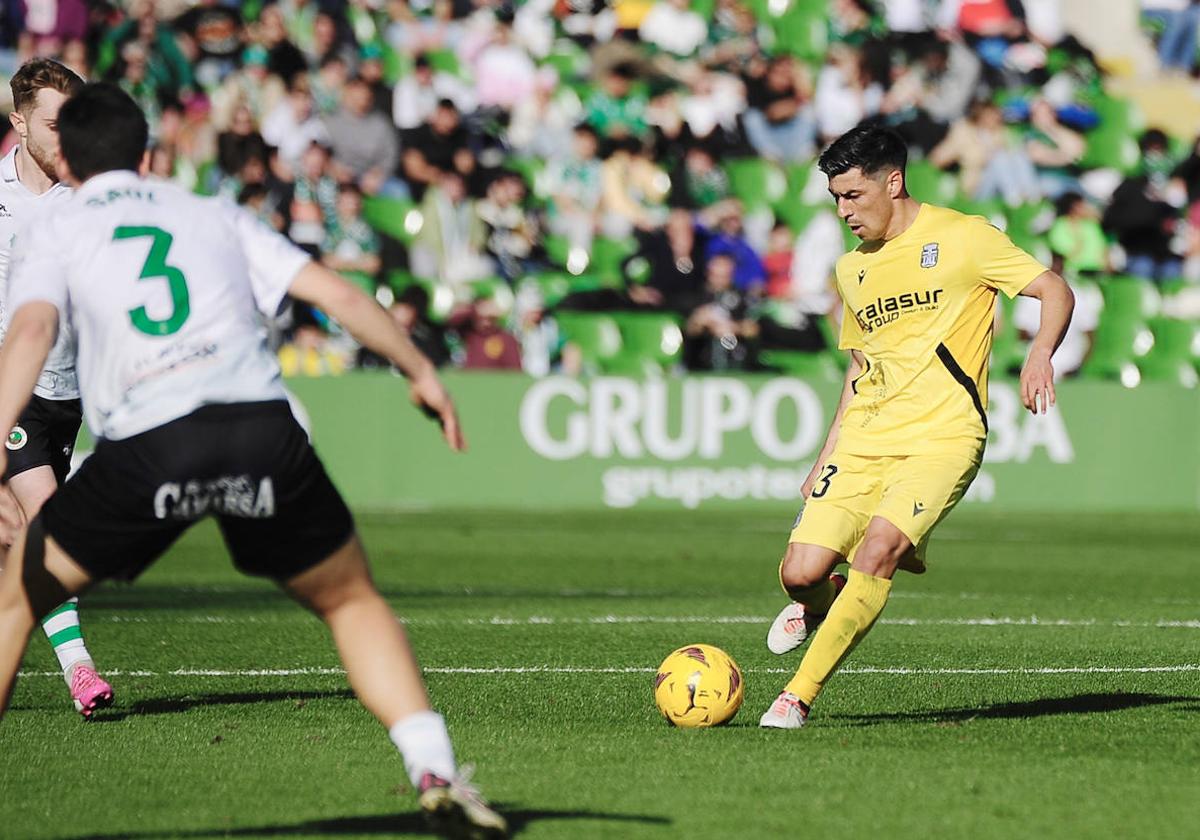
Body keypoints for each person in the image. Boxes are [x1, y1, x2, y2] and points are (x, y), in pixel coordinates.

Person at [0, 83, 507, 838]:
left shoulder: (56, 226)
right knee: (351, 601)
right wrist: (421, 370)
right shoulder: (212, 212)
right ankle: (432, 767)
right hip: (260, 430)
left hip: (148, 441)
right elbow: (334, 292)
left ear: (66, 155)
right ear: (149, 153)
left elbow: (33, 330)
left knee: (16, 596)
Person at [757, 125, 1074, 729]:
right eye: (836, 199)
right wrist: (825, 456)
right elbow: (860, 368)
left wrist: (1038, 355)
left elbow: (1053, 288)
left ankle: (796, 696)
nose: (844, 211)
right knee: (800, 573)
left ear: (893, 181)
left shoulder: (964, 237)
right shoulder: (852, 271)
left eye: (853, 195)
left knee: (878, 551)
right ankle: (819, 608)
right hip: (865, 440)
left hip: (944, 437)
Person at [0, 58, 113, 719]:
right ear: (19, 122)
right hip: (13, 389)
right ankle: (80, 671)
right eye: (52, 123)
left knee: (33, 538)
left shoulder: (89, 195)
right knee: (44, 522)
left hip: (75, 390)